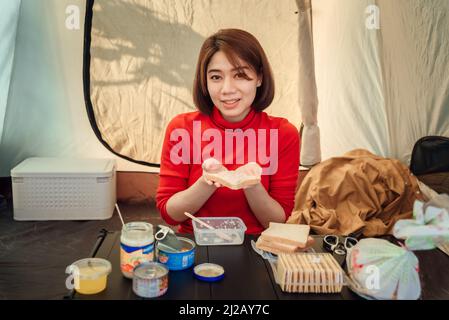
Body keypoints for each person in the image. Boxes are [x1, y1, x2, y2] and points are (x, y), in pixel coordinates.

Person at [156, 29, 300, 234]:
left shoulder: (283, 133)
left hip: (255, 246)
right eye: (216, 77)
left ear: (259, 77)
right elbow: (170, 214)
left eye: (240, 75)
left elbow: (276, 221)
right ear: (204, 81)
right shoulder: (182, 129)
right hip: (195, 244)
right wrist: (208, 181)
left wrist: (251, 184)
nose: (227, 89)